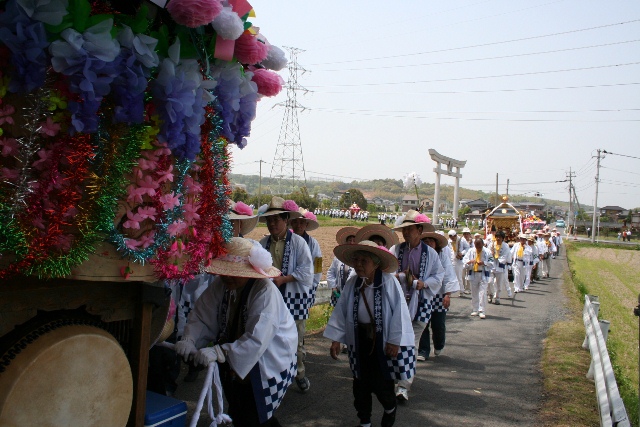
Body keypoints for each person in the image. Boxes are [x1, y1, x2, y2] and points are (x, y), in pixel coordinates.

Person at [175, 238, 297, 426]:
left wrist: (220, 351)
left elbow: (258, 338)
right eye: (224, 272)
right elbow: (202, 314)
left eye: (233, 273)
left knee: (257, 412)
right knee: (239, 407)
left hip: (268, 358)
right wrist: (190, 339)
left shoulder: (265, 292)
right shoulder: (221, 285)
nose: (227, 277)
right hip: (235, 357)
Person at [324, 240, 415, 427]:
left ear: (375, 263)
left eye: (363, 261)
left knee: (381, 383)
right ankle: (364, 420)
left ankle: (390, 408)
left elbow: (400, 313)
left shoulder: (389, 282)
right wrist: (336, 339)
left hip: (381, 342)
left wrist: (394, 340)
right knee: (360, 383)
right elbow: (341, 312)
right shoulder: (352, 283)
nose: (358, 264)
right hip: (359, 341)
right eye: (356, 260)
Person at [257, 197, 314, 393]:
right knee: (269, 338)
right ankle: (274, 375)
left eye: (276, 220)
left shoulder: (299, 243)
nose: (272, 224)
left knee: (296, 340)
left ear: (286, 220)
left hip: (294, 298)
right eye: (269, 220)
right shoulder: (262, 243)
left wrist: (284, 279)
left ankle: (299, 372)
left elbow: (307, 271)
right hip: (269, 299)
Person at [390, 210, 444, 401]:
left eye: (410, 229)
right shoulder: (396, 250)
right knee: (394, 342)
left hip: (421, 304)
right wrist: (396, 276)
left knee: (411, 345)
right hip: (397, 304)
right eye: (404, 230)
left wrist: (424, 283)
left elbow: (439, 275)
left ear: (419, 230)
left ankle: (404, 385)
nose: (406, 233)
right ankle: (394, 378)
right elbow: (386, 270)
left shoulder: (430, 254)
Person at [417, 228, 459, 360]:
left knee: (438, 324)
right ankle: (423, 351)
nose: (428, 243)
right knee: (422, 323)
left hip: (439, 296)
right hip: (424, 295)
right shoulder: (418, 255)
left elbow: (448, 276)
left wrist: (447, 294)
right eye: (425, 241)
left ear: (436, 244)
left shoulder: (442, 257)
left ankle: (439, 344)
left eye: (431, 241)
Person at [290, 208, 323, 307]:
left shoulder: (313, 243)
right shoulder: (287, 241)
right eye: (295, 222)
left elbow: (318, 266)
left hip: (306, 286)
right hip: (289, 285)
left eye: (302, 222)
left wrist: (313, 284)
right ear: (291, 223)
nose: (298, 225)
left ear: (306, 225)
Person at [327, 226, 359, 307]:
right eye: (349, 240)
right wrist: (333, 288)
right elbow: (331, 272)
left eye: (354, 241)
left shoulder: (360, 258)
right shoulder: (338, 257)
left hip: (354, 295)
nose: (351, 243)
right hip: (338, 294)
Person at [463, 237, 493, 319]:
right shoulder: (471, 251)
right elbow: (464, 261)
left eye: (480, 246)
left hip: (483, 273)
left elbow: (492, 263)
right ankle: (475, 309)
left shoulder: (487, 252)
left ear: (483, 244)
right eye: (476, 246)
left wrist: (484, 263)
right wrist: (470, 262)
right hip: (473, 273)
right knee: (474, 292)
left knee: (482, 293)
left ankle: (482, 310)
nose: (478, 248)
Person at [488, 230, 512, 304]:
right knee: (489, 282)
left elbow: (505, 257)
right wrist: (491, 255)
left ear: (502, 238)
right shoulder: (492, 245)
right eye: (497, 237)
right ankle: (490, 295)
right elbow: (487, 254)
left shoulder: (505, 246)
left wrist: (496, 256)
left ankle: (497, 297)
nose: (498, 238)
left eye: (500, 237)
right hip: (492, 266)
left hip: (500, 267)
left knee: (499, 284)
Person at [448, 229, 470, 296]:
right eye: (451, 237)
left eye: (453, 236)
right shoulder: (449, 241)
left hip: (458, 261)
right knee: (450, 277)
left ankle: (461, 291)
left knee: (459, 277)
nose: (452, 238)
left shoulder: (461, 240)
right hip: (451, 260)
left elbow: (467, 248)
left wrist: (462, 253)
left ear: (455, 235)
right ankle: (450, 292)